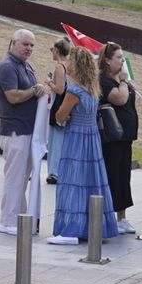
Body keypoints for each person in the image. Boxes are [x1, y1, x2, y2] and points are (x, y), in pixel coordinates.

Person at [48, 47, 117, 245]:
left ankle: (70, 230)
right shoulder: (92, 89)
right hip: (92, 138)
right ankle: (93, 227)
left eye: (70, 60)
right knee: (91, 181)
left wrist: (65, 115)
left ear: (76, 65)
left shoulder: (74, 90)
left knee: (73, 181)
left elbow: (60, 116)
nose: (67, 63)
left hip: (76, 139)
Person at [0, 30, 48, 235]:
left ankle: (18, 219)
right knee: (15, 180)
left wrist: (38, 88)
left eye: (32, 45)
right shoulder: (7, 66)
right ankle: (7, 222)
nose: (29, 48)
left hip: (26, 131)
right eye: (25, 44)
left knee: (21, 180)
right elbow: (13, 97)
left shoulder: (25, 65)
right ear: (13, 43)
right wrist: (34, 90)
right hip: (15, 132)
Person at [98, 42, 139, 234]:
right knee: (112, 175)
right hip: (112, 138)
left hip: (125, 137)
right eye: (118, 57)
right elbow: (120, 99)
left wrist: (125, 82)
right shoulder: (104, 80)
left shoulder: (120, 80)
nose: (122, 61)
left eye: (123, 57)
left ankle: (122, 217)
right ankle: (109, 215)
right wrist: (123, 81)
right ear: (107, 60)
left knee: (124, 176)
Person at [45, 38, 71, 184]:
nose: (51, 52)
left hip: (58, 106)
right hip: (66, 106)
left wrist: (49, 82)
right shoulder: (70, 65)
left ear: (57, 50)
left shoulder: (60, 67)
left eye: (52, 49)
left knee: (55, 141)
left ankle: (54, 173)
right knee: (61, 141)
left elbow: (60, 89)